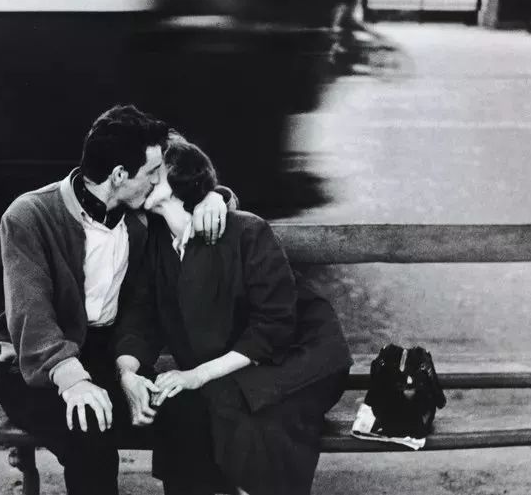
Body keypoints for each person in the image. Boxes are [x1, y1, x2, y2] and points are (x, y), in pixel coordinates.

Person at [0, 105, 233, 495]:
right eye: (152, 172)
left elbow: (194, 186)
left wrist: (215, 199)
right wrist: (73, 381)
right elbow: (32, 316)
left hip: (110, 357)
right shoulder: (29, 216)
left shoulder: (140, 214)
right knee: (89, 431)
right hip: (37, 370)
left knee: (187, 411)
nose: (158, 181)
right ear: (120, 175)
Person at [114, 139, 352, 495]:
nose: (144, 178)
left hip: (298, 358)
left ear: (179, 180)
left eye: (154, 172)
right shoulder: (156, 240)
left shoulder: (246, 231)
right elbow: (141, 317)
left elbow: (273, 326)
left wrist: (197, 374)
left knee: (237, 410)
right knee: (177, 403)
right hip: (234, 363)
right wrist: (129, 373)